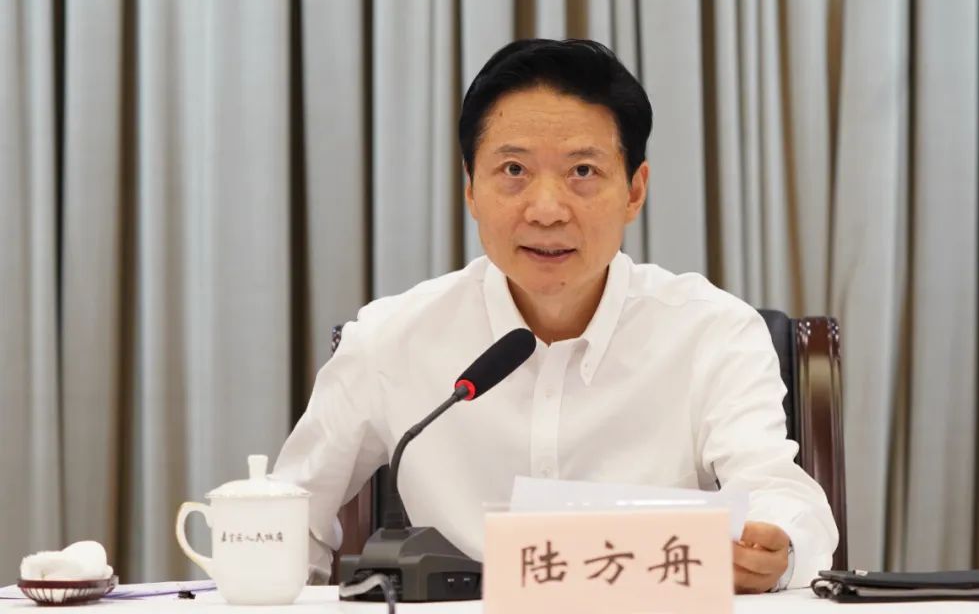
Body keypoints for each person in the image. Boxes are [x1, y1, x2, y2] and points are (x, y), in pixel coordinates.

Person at [272, 38, 838, 592]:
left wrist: (776, 544)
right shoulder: (392, 340)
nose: (546, 210)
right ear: (471, 189)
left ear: (635, 190)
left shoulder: (712, 332)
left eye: (583, 172)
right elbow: (289, 520)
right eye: (513, 170)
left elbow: (779, 494)